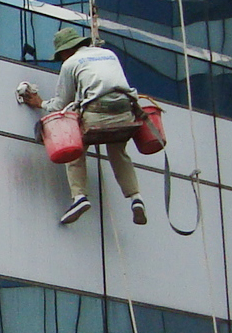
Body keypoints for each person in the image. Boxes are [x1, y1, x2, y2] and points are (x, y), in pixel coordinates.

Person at [21, 28, 148, 226]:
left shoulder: (70, 63)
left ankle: (79, 197)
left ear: (65, 50)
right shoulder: (108, 54)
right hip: (125, 112)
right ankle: (136, 197)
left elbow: (60, 104)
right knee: (118, 152)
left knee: (74, 147)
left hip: (97, 113)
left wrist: (40, 103)